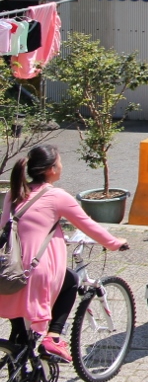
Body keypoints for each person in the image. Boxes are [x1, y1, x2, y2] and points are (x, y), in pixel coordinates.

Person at [0, 146, 128, 362]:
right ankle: (54, 336)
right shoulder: (56, 196)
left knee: (19, 336)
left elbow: (6, 227)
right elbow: (88, 225)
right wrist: (115, 243)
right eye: (59, 163)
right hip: (36, 273)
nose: (61, 167)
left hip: (7, 271)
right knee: (72, 280)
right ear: (51, 169)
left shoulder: (14, 192)